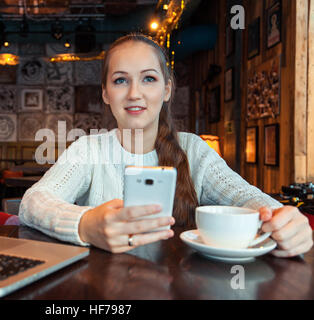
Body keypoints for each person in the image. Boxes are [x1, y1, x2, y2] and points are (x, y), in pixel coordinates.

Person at [19, 33, 313, 257]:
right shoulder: (88, 149)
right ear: (106, 94)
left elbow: (247, 197)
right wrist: (85, 224)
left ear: (167, 89)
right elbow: (33, 202)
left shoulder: (194, 150)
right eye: (121, 81)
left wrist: (283, 219)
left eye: (148, 78)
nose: (135, 93)